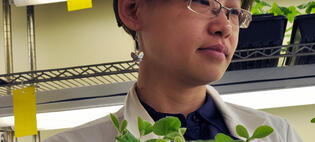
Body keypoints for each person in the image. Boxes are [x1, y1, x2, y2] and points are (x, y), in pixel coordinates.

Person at [44, 0, 302, 141]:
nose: (224, 26)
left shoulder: (277, 134)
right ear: (133, 9)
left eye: (234, 12)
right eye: (202, 2)